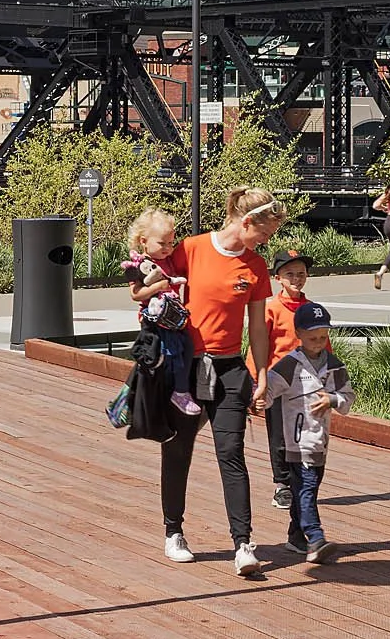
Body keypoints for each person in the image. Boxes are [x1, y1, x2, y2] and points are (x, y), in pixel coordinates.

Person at [149, 186, 279, 577]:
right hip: (186, 368)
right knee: (178, 448)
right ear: (246, 222)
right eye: (265, 233)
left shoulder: (255, 267)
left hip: (229, 369)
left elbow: (257, 325)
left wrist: (262, 372)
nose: (266, 241)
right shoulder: (190, 249)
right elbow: (146, 285)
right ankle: (174, 532)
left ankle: (243, 544)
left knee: (231, 453)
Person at [261, 299, 352, 564]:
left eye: (323, 337)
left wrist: (332, 400)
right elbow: (269, 391)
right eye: (312, 337)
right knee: (306, 489)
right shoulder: (289, 364)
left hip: (319, 442)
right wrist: (256, 397)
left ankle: (295, 538)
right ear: (298, 334)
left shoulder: (334, 365)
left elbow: (347, 397)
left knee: (307, 488)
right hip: (296, 441)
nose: (318, 342)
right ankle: (315, 538)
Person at [123, 210, 203, 417]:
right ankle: (171, 392)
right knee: (163, 356)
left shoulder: (168, 260)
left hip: (173, 317)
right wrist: (159, 286)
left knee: (184, 348)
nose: (168, 248)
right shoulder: (138, 265)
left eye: (171, 243)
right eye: (162, 243)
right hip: (155, 320)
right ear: (144, 241)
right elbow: (135, 294)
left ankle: (177, 391)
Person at [263, 249, 314, 543]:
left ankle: (298, 480)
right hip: (279, 381)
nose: (296, 279)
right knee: (280, 437)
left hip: (307, 384)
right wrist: (256, 381)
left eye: (301, 274)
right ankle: (281, 482)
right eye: (290, 274)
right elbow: (261, 345)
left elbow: (323, 345)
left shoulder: (312, 309)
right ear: (278, 278)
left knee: (303, 437)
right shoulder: (271, 308)